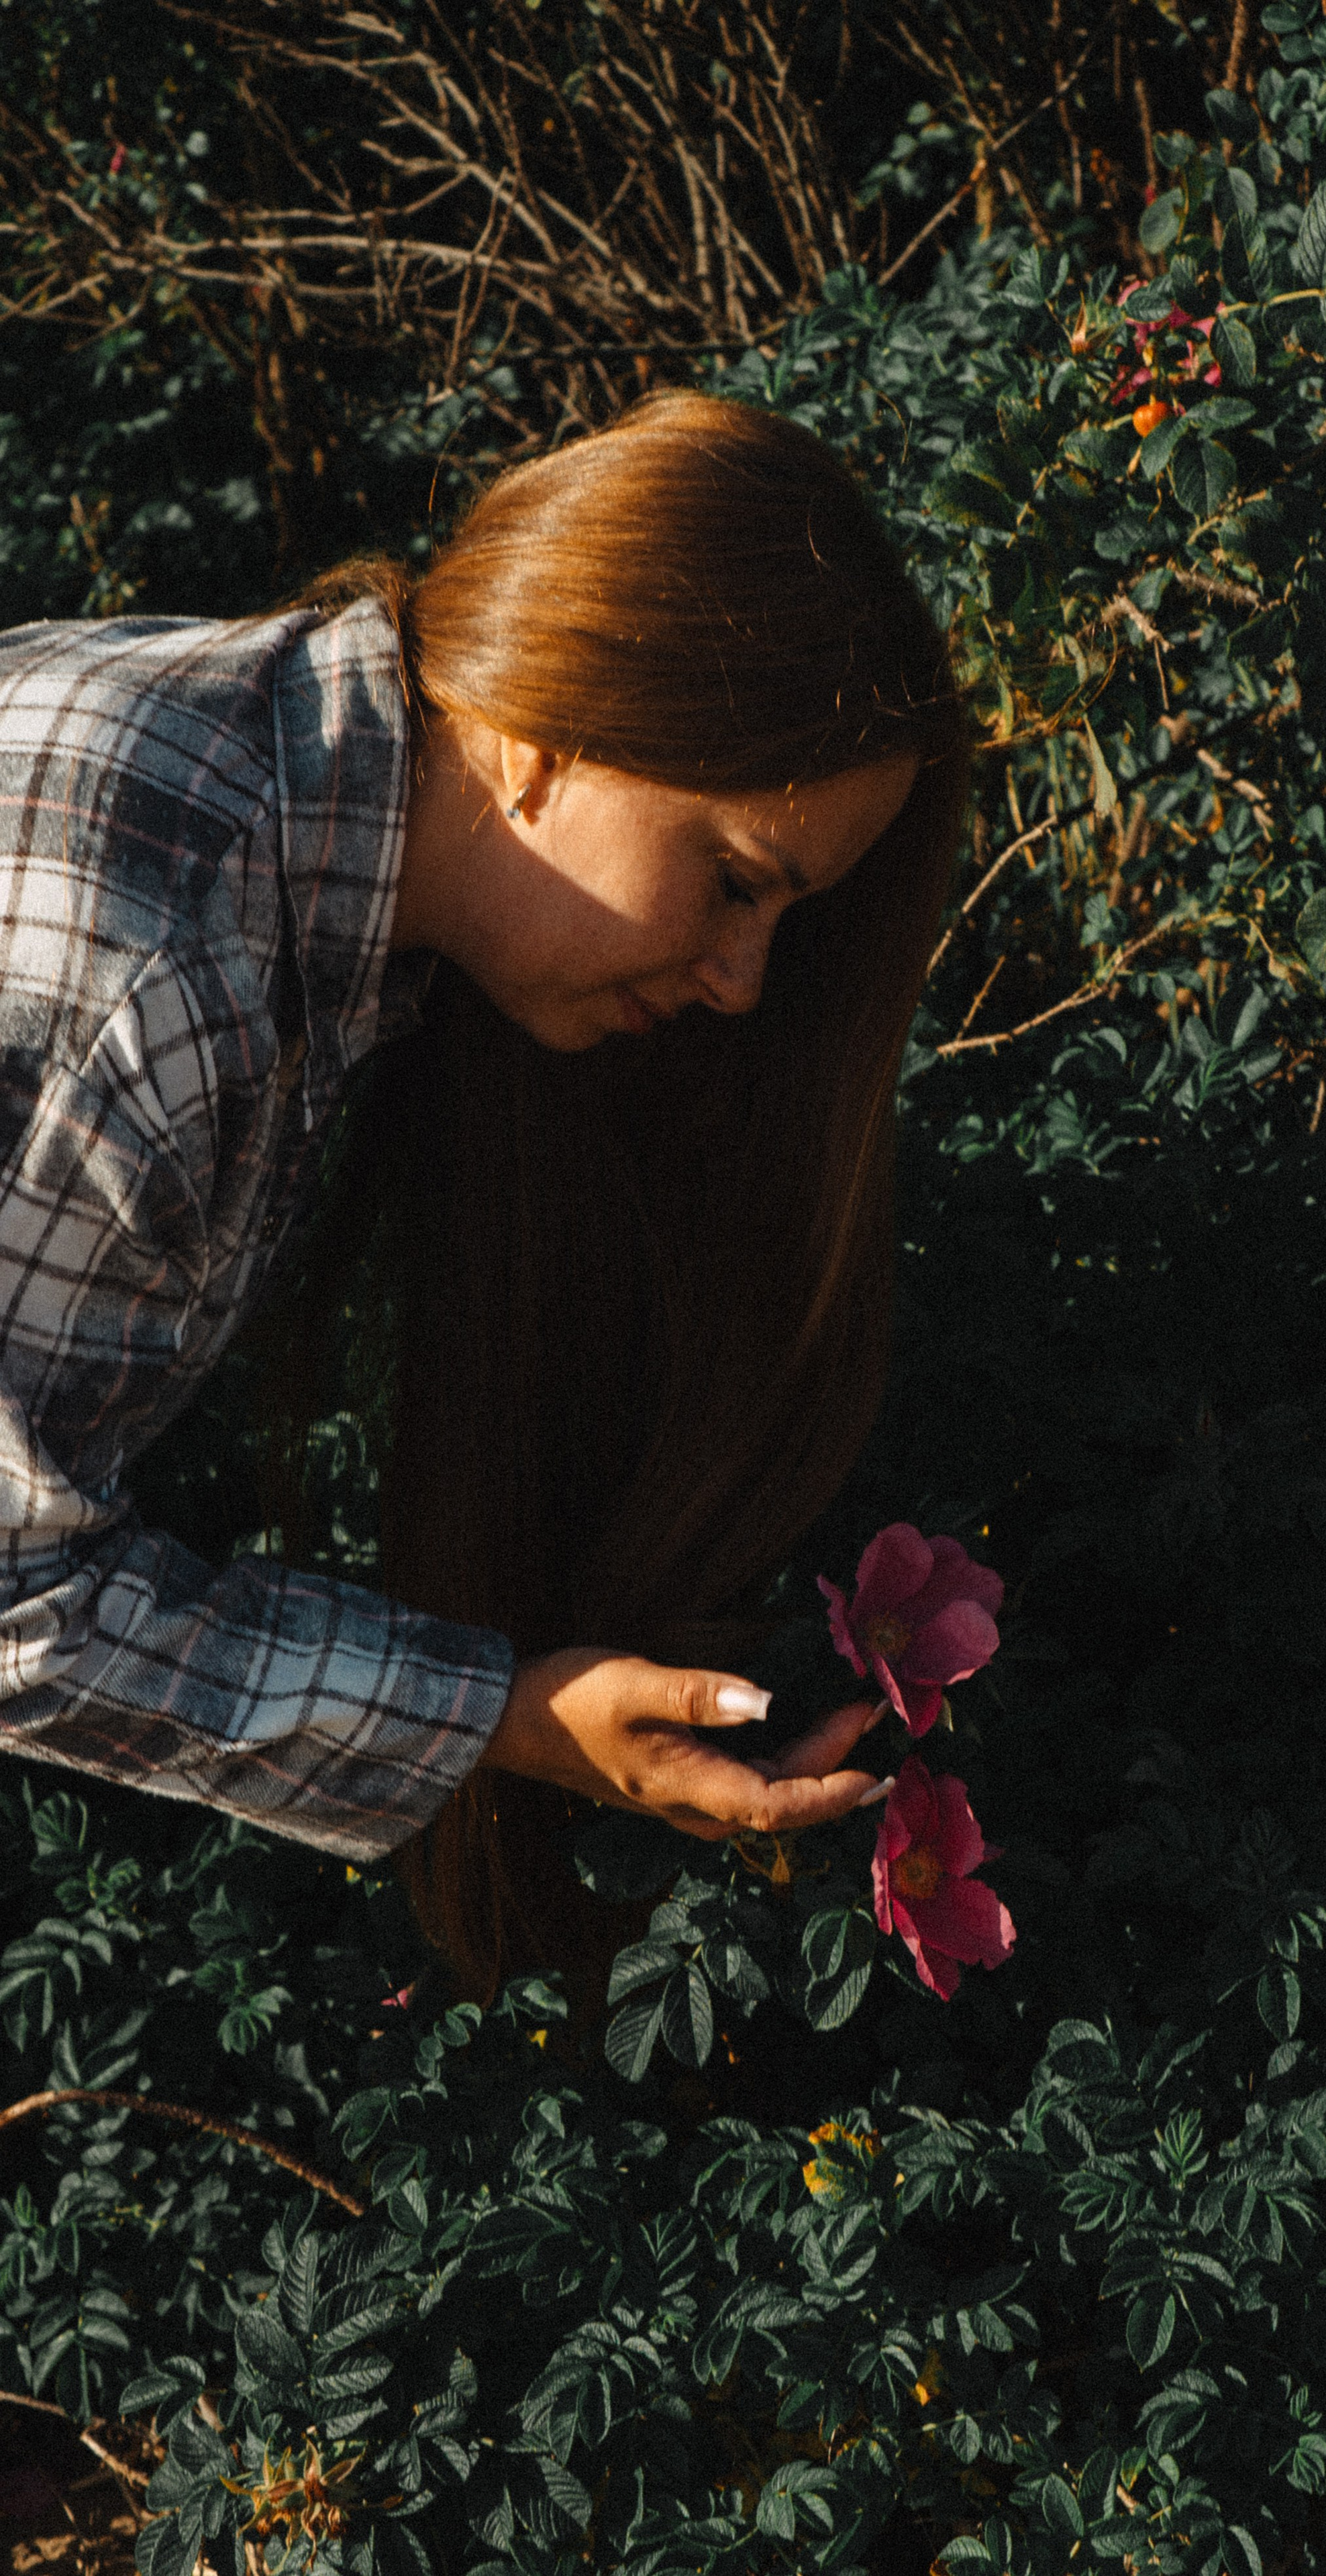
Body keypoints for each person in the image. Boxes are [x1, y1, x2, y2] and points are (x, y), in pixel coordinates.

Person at [0, 389, 968, 1995]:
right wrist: (504, 1718)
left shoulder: (253, 762)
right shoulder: (173, 971)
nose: (742, 981)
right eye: (734, 881)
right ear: (544, 733)